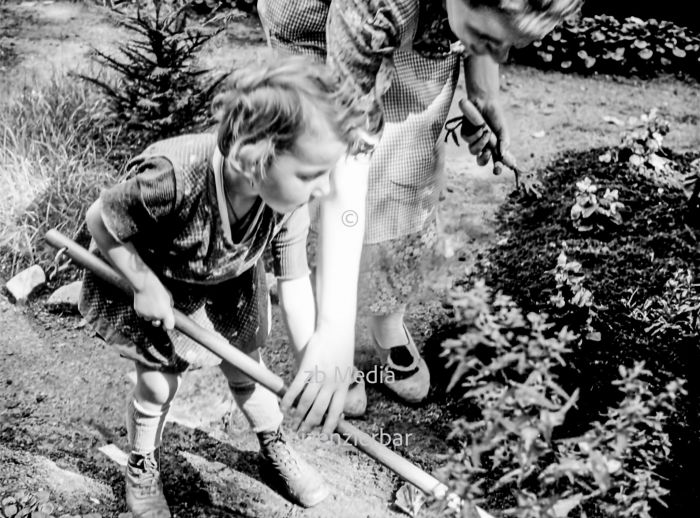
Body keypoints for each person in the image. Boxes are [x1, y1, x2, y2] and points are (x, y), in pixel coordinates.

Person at [257, 0, 582, 420]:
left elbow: (484, 24)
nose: (500, 56)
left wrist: (484, 94)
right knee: (319, 169)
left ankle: (385, 319)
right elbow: (347, 156)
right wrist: (337, 333)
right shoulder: (375, 6)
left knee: (404, 169)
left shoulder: (466, 9)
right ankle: (324, 330)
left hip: (414, 27)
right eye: (488, 40)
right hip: (313, 27)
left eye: (509, 46)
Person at [78, 54, 358, 516]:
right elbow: (100, 220)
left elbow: (295, 282)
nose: (327, 188)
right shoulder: (170, 178)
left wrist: (314, 366)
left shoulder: (288, 202)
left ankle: (273, 445)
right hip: (162, 282)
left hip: (230, 284)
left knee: (249, 370)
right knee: (157, 385)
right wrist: (143, 284)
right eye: (312, 174)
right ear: (253, 159)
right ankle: (142, 460)